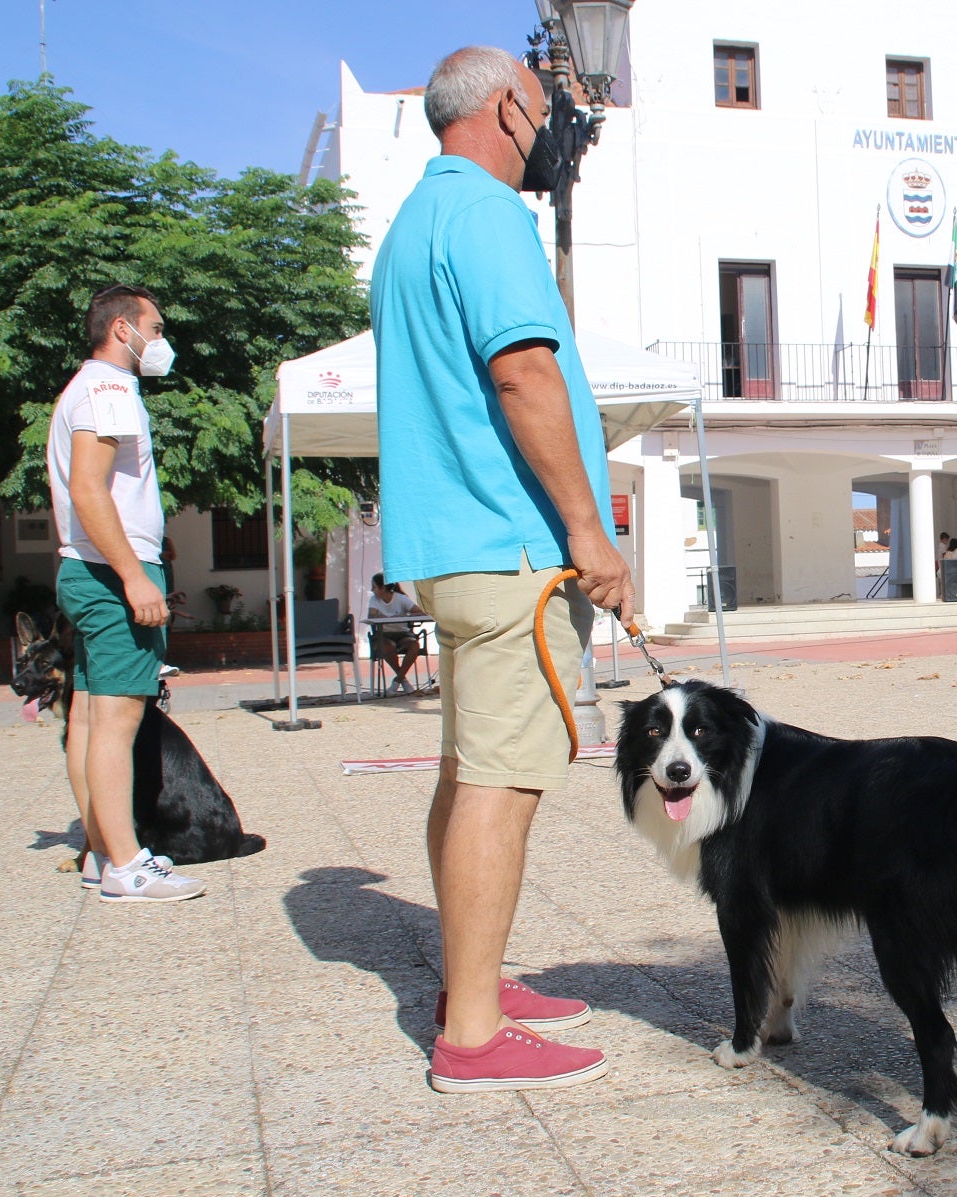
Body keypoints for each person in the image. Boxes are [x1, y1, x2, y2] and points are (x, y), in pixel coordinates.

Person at [372, 46, 635, 1093]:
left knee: (464, 767)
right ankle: (473, 1034)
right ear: (505, 108)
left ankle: (468, 985)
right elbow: (524, 371)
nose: (552, 130)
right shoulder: (485, 216)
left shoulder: (414, 224)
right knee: (502, 779)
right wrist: (590, 530)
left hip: (451, 544)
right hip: (507, 542)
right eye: (542, 108)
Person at [46, 284, 204, 903]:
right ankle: (125, 864)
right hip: (113, 571)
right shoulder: (108, 389)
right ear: (122, 330)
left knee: (88, 714)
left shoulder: (83, 388)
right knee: (118, 717)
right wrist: (135, 576)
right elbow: (91, 489)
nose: (161, 341)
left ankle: (102, 850)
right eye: (156, 329)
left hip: (87, 568)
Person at [368, 572, 424, 693]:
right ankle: (402, 680)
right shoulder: (374, 600)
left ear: (382, 588)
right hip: (384, 634)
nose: (372, 590)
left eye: (374, 587)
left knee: (414, 646)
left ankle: (397, 680)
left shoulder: (400, 598)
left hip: (402, 633)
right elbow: (371, 615)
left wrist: (406, 614)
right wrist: (378, 615)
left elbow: (420, 612)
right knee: (388, 647)